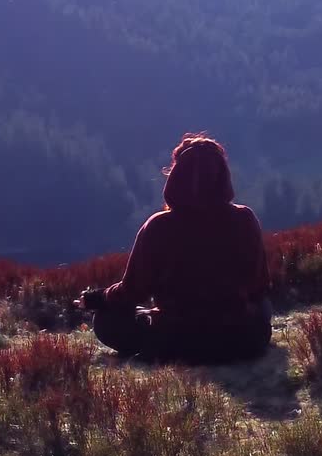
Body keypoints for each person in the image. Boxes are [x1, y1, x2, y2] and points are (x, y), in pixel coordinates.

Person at [76, 134, 272, 364]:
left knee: (105, 320)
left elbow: (132, 293)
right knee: (263, 306)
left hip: (173, 341)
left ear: (176, 177)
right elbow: (259, 288)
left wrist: (98, 298)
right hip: (240, 340)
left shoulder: (158, 227)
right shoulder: (244, 219)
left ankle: (169, 346)